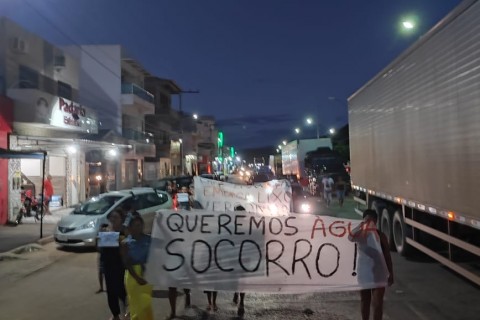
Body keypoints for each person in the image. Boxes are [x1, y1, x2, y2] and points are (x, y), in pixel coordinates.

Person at [350, 209, 394, 320]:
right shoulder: (360, 236)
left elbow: (388, 256)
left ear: (376, 222)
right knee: (365, 300)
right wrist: (361, 226)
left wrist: (391, 273)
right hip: (364, 273)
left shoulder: (381, 236)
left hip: (379, 274)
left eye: (372, 220)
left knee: (378, 303)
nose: (369, 222)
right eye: (367, 220)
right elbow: (350, 237)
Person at [121, 214, 153, 320]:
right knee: (136, 305)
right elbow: (127, 263)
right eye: (135, 225)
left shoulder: (149, 239)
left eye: (140, 225)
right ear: (130, 228)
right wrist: (137, 277)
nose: (138, 228)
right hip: (133, 276)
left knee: (146, 304)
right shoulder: (125, 243)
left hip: (147, 274)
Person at [99, 209, 128, 320]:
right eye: (112, 217)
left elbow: (128, 247)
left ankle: (125, 311)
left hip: (121, 265)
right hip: (108, 265)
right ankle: (115, 314)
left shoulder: (125, 231)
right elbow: (100, 249)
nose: (113, 219)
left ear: (121, 219)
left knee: (122, 290)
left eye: (116, 217)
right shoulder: (106, 231)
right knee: (111, 291)